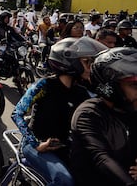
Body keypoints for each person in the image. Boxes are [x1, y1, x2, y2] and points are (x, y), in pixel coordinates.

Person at [11, 37, 107, 185]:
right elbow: (17, 113)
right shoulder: (44, 86)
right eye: (86, 62)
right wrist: (36, 143)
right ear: (70, 62)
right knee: (64, 180)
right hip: (36, 144)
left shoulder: (82, 91)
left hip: (64, 144)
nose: (90, 67)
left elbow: (109, 105)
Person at [70, 47, 137, 186]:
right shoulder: (88, 114)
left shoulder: (130, 109)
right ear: (111, 86)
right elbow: (102, 158)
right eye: (134, 85)